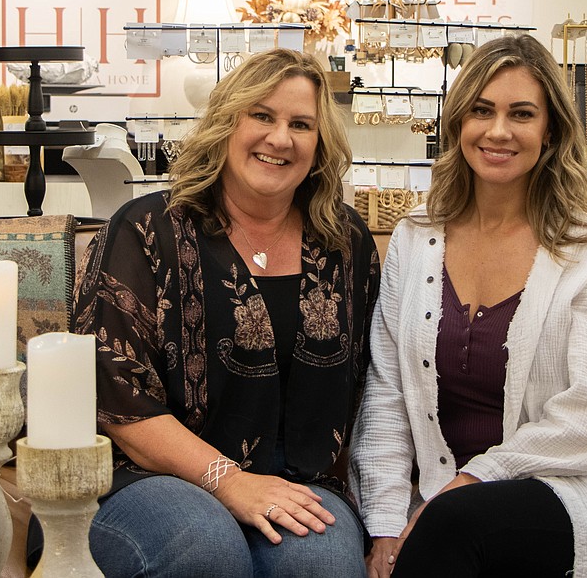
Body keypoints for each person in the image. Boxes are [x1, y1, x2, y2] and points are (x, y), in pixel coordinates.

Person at [349, 34, 587, 578]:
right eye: (482, 111)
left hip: (564, 489)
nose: (498, 131)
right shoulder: (413, 237)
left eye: (521, 113)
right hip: (437, 499)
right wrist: (382, 527)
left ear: (550, 132)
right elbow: (385, 396)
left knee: (456, 525)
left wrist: (469, 483)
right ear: (458, 123)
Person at [63, 48, 380, 577]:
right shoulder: (146, 229)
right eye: (262, 115)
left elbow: (377, 381)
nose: (280, 139)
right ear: (226, 123)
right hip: (151, 479)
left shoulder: (345, 241)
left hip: (299, 486)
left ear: (320, 144)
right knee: (206, 549)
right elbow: (116, 395)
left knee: (320, 565)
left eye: (300, 124)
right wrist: (230, 482)